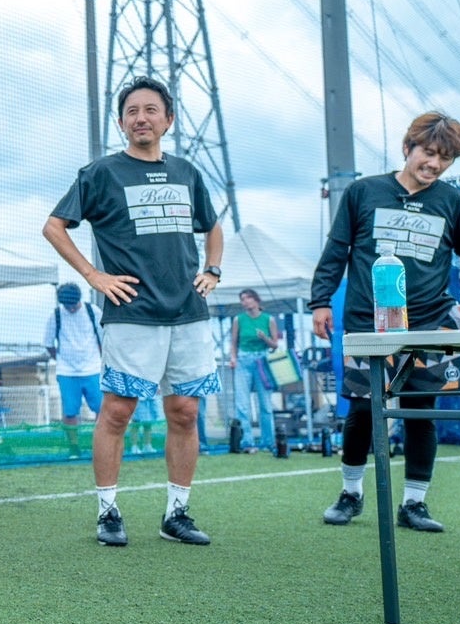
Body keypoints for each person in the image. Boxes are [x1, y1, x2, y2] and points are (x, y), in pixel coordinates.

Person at [42, 76, 224, 547]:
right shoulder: (101, 173)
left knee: (184, 412)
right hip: (131, 314)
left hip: (189, 313)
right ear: (121, 122)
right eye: (131, 111)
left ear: (168, 119)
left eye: (150, 110)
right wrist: (94, 277)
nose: (141, 118)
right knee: (117, 412)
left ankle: (177, 514)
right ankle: (108, 512)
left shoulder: (187, 172)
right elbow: (54, 226)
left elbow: (213, 227)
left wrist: (213, 271)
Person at [310, 112, 460, 533]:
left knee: (421, 412)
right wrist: (320, 301)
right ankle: (350, 493)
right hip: (368, 325)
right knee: (362, 411)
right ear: (408, 147)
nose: (435, 164)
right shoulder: (363, 192)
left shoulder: (456, 204)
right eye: (429, 152)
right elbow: (336, 251)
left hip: (432, 325)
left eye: (446, 158)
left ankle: (415, 504)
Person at [43, 280, 102, 459]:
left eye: (74, 305)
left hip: (93, 369)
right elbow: (48, 343)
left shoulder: (93, 312)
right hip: (67, 372)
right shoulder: (56, 315)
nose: (71, 309)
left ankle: (99, 445)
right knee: (70, 412)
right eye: (67, 306)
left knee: (102, 410)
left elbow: (103, 339)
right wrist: (62, 359)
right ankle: (73, 448)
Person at [228, 288, 281, 455]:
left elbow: (275, 344)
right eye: (242, 299)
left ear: (255, 300)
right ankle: (247, 441)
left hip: (262, 361)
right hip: (243, 361)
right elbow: (234, 342)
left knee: (265, 403)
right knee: (242, 404)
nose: (244, 302)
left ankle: (268, 441)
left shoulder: (268, 319)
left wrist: (264, 338)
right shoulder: (238, 319)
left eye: (247, 298)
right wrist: (233, 358)